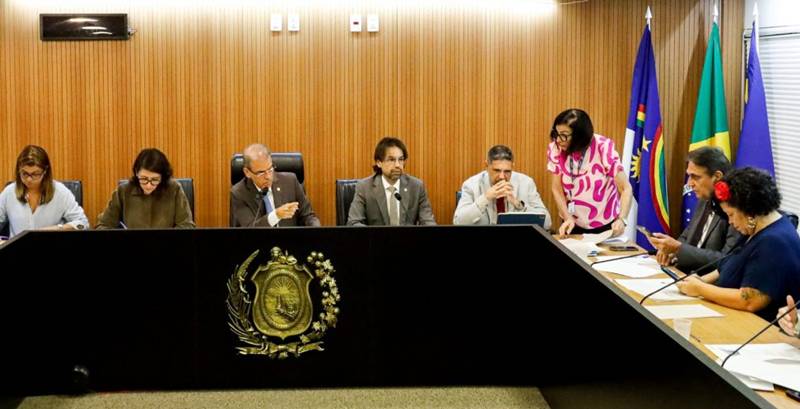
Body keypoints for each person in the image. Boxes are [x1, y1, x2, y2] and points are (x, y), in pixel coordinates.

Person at [677, 168, 800, 321]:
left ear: (748, 209)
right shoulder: (756, 227)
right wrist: (700, 280)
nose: (730, 222)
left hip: (754, 326)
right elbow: (728, 265)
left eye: (731, 214)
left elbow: (750, 301)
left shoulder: (773, 242)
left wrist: (700, 288)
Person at [648, 147, 740, 272]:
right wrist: (670, 252)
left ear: (717, 176)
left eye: (695, 177)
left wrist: (678, 249)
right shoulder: (704, 198)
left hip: (707, 280)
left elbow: (727, 260)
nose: (689, 183)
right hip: (684, 273)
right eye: (689, 176)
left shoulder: (736, 209)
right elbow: (687, 236)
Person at [547, 109, 632, 237]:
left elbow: (625, 188)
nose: (558, 140)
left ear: (580, 135)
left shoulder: (603, 147)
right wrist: (567, 217)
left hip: (605, 223)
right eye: (556, 133)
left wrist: (622, 219)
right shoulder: (556, 149)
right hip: (571, 222)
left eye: (564, 135)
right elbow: (556, 188)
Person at [0, 145, 89, 237]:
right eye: (24, 173)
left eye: (35, 174)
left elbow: (83, 224)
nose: (29, 179)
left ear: (45, 171)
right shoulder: (9, 192)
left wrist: (57, 228)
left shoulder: (61, 192)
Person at [453, 145, 551, 228]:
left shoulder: (526, 183)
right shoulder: (471, 185)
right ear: (486, 165)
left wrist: (518, 205)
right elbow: (458, 222)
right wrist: (485, 198)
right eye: (497, 170)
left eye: (507, 171)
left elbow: (547, 223)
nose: (502, 177)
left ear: (512, 167)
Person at [96, 148, 195, 229]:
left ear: (163, 177)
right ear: (136, 172)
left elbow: (187, 226)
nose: (148, 185)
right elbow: (103, 226)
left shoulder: (174, 189)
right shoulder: (124, 191)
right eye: (143, 179)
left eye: (155, 180)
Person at [347, 137, 436, 226]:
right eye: (392, 160)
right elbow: (354, 222)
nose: (397, 165)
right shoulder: (365, 188)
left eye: (401, 159)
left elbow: (428, 222)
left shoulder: (416, 187)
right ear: (379, 163)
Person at [230, 144, 320, 227]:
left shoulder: (290, 181)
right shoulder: (239, 193)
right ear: (247, 172)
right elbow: (250, 229)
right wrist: (276, 215)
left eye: (270, 169)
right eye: (261, 173)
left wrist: (317, 231)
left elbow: (308, 216)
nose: (268, 176)